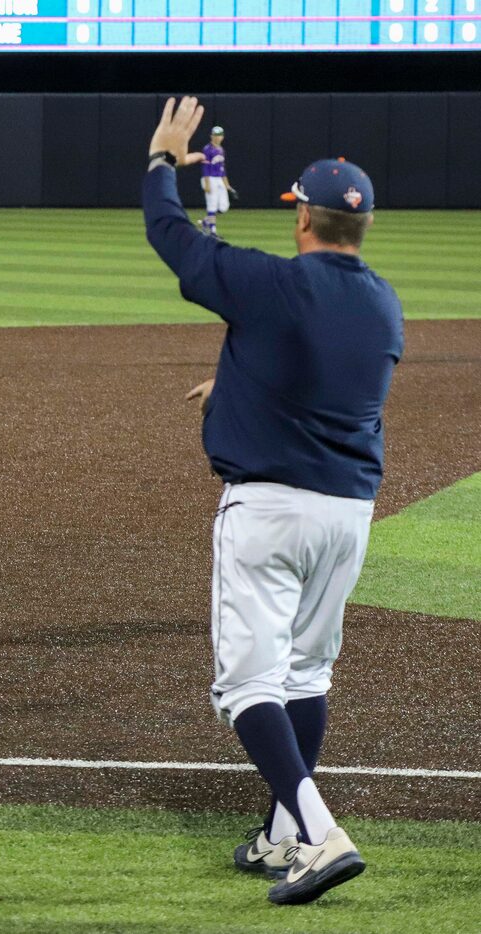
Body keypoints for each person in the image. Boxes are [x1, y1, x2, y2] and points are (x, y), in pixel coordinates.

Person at [144, 98, 403, 905]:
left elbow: (173, 239)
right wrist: (241, 379)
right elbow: (325, 379)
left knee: (246, 686)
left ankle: (319, 835)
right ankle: (280, 836)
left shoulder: (268, 284)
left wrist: (160, 162)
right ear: (357, 230)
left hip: (268, 513)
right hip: (348, 515)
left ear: (302, 220)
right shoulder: (383, 305)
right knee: (306, 672)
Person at [183, 125, 236, 238]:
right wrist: (207, 184)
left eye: (220, 135)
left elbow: (223, 170)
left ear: (222, 137)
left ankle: (205, 222)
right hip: (209, 179)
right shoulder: (207, 149)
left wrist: (228, 187)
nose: (217, 137)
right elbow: (205, 168)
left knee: (223, 207)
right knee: (212, 206)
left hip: (219, 179)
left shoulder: (221, 150)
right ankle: (212, 232)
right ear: (211, 136)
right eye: (215, 135)